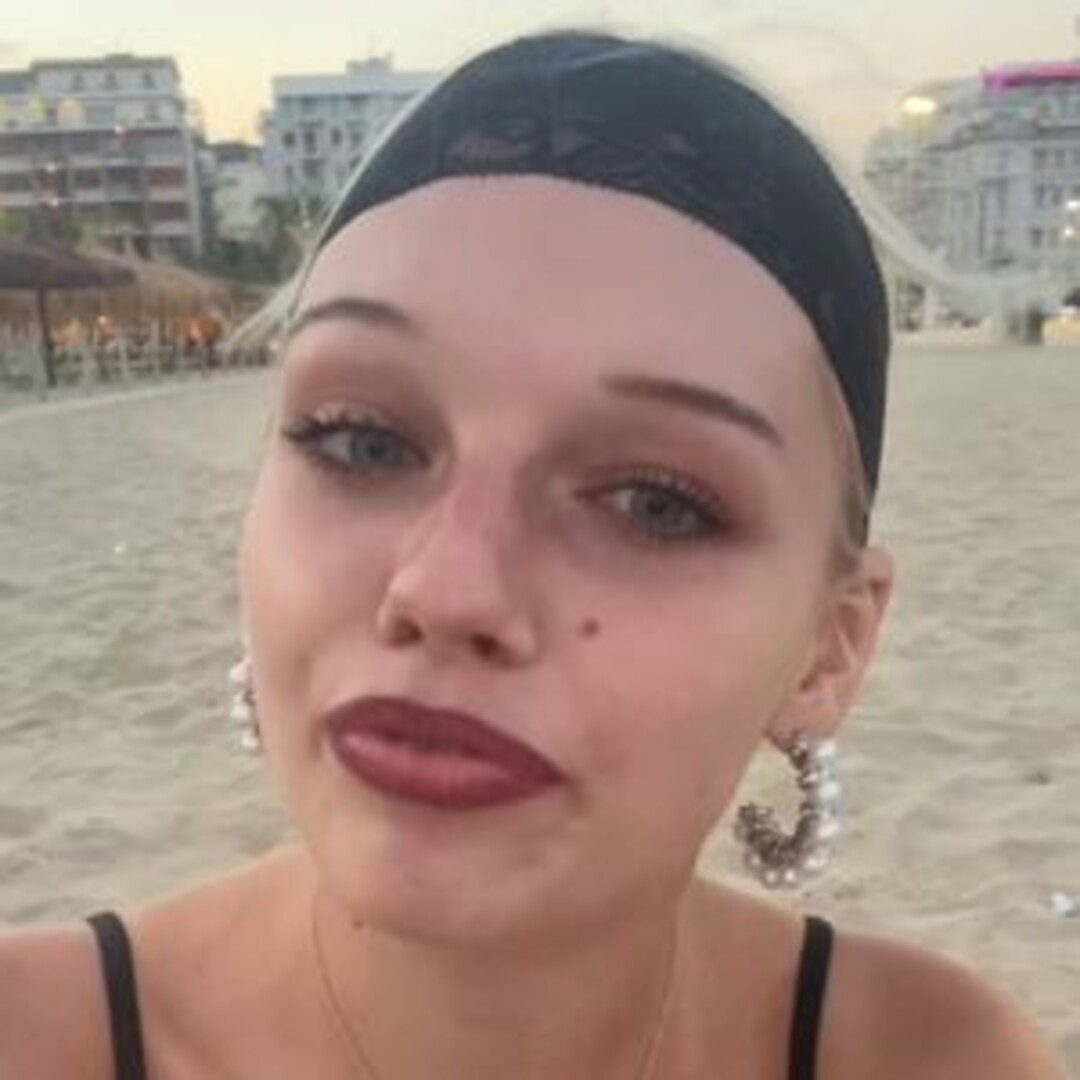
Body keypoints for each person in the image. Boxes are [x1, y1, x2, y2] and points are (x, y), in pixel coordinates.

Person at [0, 29, 1065, 1080]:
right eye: (361, 441)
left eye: (655, 504)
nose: (446, 588)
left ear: (830, 651)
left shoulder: (932, 1060)